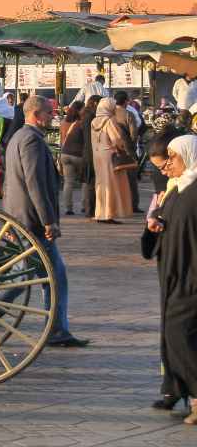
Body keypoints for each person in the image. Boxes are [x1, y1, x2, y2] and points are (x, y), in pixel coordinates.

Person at [3, 94, 89, 348]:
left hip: (20, 218)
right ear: (36, 115)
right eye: (49, 113)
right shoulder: (30, 140)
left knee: (29, 275)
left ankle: (55, 328)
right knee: (47, 276)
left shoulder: (19, 137)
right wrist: (48, 220)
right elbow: (34, 183)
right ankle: (55, 330)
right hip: (31, 221)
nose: (53, 117)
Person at [145, 134, 197, 423]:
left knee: (180, 331)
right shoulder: (179, 187)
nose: (168, 164)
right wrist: (156, 223)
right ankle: (177, 389)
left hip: (191, 273)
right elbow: (169, 218)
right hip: (174, 271)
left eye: (172, 158)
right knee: (175, 330)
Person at [91, 97, 134, 223]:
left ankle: (100, 213)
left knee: (101, 184)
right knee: (112, 184)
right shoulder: (110, 121)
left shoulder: (93, 121)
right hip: (110, 155)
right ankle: (109, 214)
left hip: (97, 155)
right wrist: (122, 148)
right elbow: (116, 139)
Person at [58, 100, 87, 215]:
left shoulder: (64, 122)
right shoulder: (81, 123)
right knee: (85, 180)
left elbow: (61, 140)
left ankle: (68, 208)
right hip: (78, 154)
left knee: (68, 182)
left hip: (65, 153)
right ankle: (85, 205)